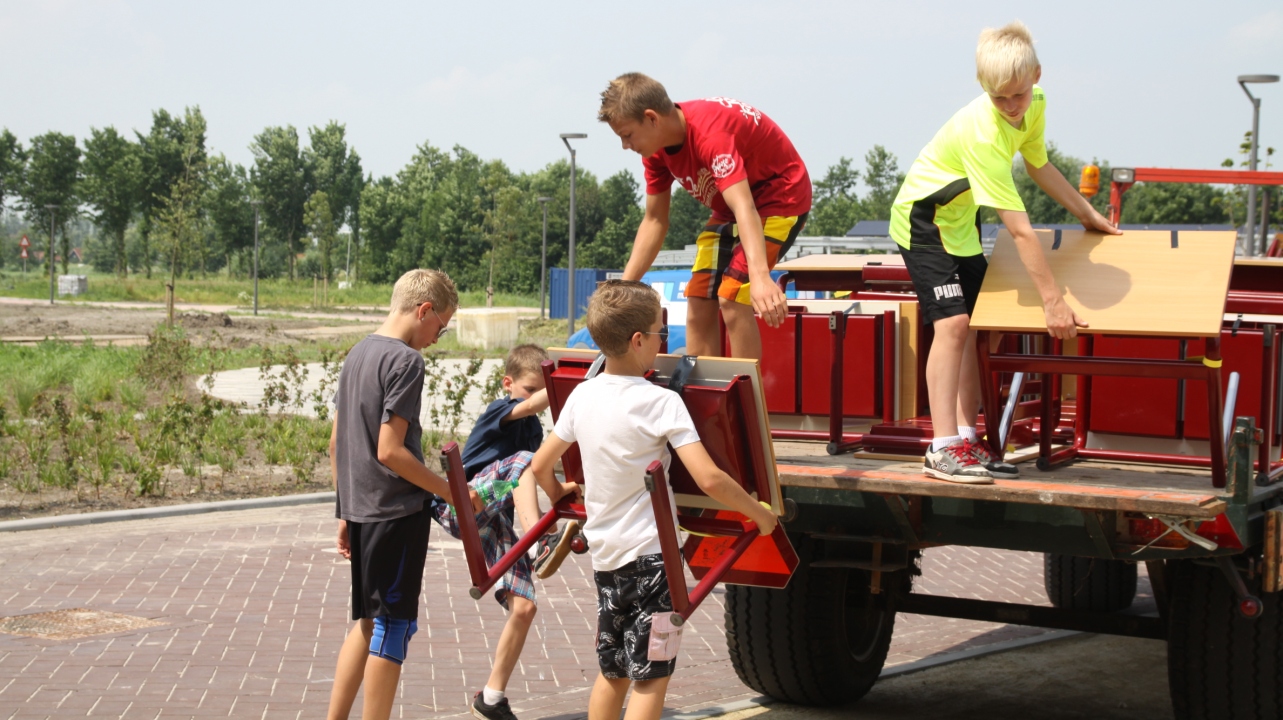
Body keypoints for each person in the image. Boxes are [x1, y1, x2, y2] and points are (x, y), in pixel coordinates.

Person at [527, 280, 778, 720]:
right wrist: (759, 514)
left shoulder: (581, 395)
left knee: (613, 671)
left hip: (606, 559)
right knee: (651, 676)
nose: (663, 341)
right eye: (660, 333)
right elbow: (709, 478)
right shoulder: (662, 402)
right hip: (653, 562)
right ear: (638, 340)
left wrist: (558, 492)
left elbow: (539, 466)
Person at [889, 21, 1121, 484]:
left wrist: (1088, 214)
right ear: (983, 87)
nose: (1012, 106)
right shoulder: (983, 134)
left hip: (960, 223)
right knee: (952, 324)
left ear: (1037, 75)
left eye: (1019, 94)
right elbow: (1019, 230)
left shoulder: (1037, 104)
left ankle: (965, 437)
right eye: (999, 98)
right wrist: (1053, 302)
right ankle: (941, 448)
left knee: (984, 327)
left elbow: (1039, 165)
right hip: (923, 219)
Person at [326, 268, 464, 720]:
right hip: (396, 511)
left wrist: (345, 511)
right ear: (424, 310)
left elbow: (337, 442)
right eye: (441, 327)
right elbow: (390, 450)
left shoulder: (358, 353)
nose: (437, 338)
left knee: (368, 622)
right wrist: (452, 493)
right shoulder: (407, 361)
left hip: (362, 509)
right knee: (395, 625)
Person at [599, 73, 811, 361]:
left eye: (627, 135)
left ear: (651, 118)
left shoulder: (711, 135)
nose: (625, 145)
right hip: (730, 206)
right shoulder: (655, 151)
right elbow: (655, 220)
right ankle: (704, 388)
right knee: (699, 298)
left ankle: (744, 389)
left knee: (732, 296)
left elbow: (745, 207)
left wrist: (760, 277)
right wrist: (625, 287)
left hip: (778, 198)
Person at [426, 343, 581, 720]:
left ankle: (491, 698)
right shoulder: (499, 410)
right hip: (461, 505)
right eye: (529, 389)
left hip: (494, 519)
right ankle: (539, 544)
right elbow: (531, 411)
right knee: (527, 461)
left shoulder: (533, 430)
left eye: (540, 390)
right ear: (507, 384)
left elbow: (532, 479)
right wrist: (572, 385)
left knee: (524, 606)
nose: (534, 398)